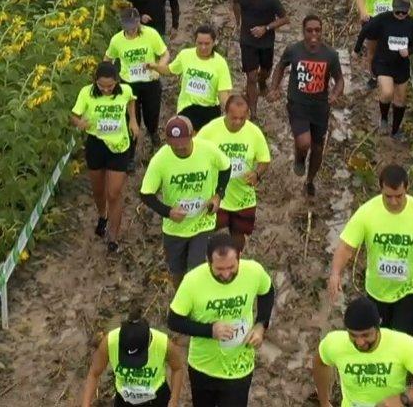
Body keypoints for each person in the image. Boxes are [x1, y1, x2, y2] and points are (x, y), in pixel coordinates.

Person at [328, 164, 413, 334]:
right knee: (379, 338)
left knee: (402, 341)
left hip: (410, 288)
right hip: (377, 290)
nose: (393, 202)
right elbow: (346, 247)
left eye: (399, 196)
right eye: (388, 196)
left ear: (407, 188)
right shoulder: (367, 213)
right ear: (380, 188)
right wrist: (335, 273)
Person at [167, 234, 274, 407]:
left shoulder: (254, 271)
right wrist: (210, 331)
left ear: (239, 257)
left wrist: (261, 324)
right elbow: (174, 321)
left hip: (239, 367)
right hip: (203, 367)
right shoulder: (193, 281)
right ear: (208, 262)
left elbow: (267, 291)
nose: (225, 274)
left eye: (231, 267)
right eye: (219, 269)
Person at [139, 117, 231, 283]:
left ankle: (197, 304)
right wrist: (168, 212)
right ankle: (181, 305)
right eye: (175, 144)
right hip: (175, 228)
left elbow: (226, 167)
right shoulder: (160, 160)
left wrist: (218, 196)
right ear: (167, 141)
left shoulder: (208, 150)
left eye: (184, 142)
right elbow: (146, 194)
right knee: (177, 274)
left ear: (192, 135)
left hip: (203, 222)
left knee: (195, 271)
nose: (180, 147)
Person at [313, 297, 413, 407]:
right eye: (353, 335)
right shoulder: (335, 343)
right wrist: (324, 402)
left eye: (366, 335)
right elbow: (320, 362)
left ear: (378, 326)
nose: (360, 342)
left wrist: (403, 399)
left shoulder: (401, 344)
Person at [72, 60, 143, 253]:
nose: (105, 90)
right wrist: (79, 123)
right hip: (96, 144)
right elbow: (74, 115)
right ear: (95, 81)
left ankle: (113, 236)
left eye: (110, 86)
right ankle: (102, 215)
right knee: (98, 191)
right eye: (101, 86)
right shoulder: (86, 93)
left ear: (117, 82)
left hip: (119, 146)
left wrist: (133, 121)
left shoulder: (125, 90)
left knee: (114, 192)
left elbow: (131, 101)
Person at [276, 15, 342, 197]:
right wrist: (274, 87)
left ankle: (310, 180)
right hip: (298, 104)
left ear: (322, 31)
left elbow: (340, 80)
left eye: (317, 30)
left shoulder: (330, 55)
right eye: (309, 30)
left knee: (318, 147)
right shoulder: (293, 50)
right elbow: (281, 66)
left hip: (320, 108)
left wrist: (335, 93)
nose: (314, 34)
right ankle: (299, 158)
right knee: (304, 142)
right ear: (303, 31)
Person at [197, 95, 270, 254]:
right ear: (226, 113)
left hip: (242, 196)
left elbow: (265, 160)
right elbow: (195, 152)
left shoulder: (254, 133)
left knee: (238, 233)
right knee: (207, 228)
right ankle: (208, 259)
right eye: (233, 118)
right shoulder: (210, 130)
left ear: (248, 115)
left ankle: (234, 261)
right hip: (216, 194)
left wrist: (257, 173)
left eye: (242, 118)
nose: (237, 123)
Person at [79, 313, 187, 407]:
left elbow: (177, 368)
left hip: (156, 399)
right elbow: (94, 373)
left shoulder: (163, 344)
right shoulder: (110, 342)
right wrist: (86, 403)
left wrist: (173, 401)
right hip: (124, 400)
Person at [107, 7, 171, 145]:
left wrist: (157, 68)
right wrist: (110, 79)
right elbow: (107, 60)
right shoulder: (116, 40)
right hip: (128, 84)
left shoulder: (151, 34)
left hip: (150, 81)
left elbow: (165, 54)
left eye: (134, 26)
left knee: (152, 113)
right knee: (131, 117)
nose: (131, 30)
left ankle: (153, 131)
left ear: (139, 22)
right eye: (128, 27)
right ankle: (131, 150)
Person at [361, 0, 413, 141]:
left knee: (400, 99)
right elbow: (366, 31)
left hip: (401, 66)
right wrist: (357, 49)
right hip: (383, 62)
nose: (400, 15)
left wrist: (409, 51)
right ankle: (384, 118)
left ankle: (395, 131)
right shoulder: (383, 19)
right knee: (387, 92)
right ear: (393, 9)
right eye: (398, 12)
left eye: (404, 12)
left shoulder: (412, 25)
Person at [231, 0, 288, 115]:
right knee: (251, 77)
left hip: (266, 42)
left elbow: (285, 19)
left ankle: (262, 82)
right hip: (247, 40)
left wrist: (266, 28)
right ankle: (253, 112)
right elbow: (235, 4)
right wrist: (238, 23)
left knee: (265, 71)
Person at [166, 26, 233, 133]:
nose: (203, 47)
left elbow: (223, 93)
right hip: (187, 106)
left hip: (209, 108)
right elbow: (169, 70)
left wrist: (230, 113)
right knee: (190, 137)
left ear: (214, 42)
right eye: (200, 43)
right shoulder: (185, 55)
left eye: (207, 44)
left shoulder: (220, 63)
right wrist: (154, 67)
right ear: (195, 42)